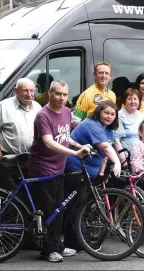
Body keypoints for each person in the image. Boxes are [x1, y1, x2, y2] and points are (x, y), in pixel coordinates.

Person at [27, 79, 92, 262]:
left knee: (59, 209)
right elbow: (49, 142)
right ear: (50, 93)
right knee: (50, 210)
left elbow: (65, 136)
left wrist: (80, 145)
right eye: (58, 94)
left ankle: (57, 245)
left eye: (64, 94)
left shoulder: (66, 112)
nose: (62, 98)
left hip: (58, 168)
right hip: (43, 168)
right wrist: (75, 153)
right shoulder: (43, 115)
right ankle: (49, 250)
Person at [64, 100, 122, 251]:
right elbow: (105, 147)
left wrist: (101, 172)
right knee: (76, 205)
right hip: (75, 167)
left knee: (82, 205)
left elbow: (104, 154)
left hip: (89, 171)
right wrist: (117, 162)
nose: (109, 116)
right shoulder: (92, 124)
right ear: (99, 112)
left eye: (112, 114)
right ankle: (73, 242)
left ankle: (80, 240)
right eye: (106, 113)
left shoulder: (107, 129)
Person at [0, 78, 42, 191]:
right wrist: (1, 161)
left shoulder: (37, 107)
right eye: (25, 91)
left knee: (33, 195)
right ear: (15, 91)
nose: (29, 94)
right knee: (12, 197)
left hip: (33, 160)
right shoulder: (3, 107)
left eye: (32, 91)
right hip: (11, 161)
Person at [72, 62, 116, 127]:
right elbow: (75, 120)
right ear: (94, 74)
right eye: (100, 73)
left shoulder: (112, 95)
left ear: (110, 76)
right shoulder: (87, 94)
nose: (103, 76)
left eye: (106, 73)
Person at [114, 88, 144, 155]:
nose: (133, 102)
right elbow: (116, 140)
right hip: (126, 155)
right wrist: (123, 159)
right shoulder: (120, 115)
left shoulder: (142, 116)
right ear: (124, 101)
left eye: (135, 99)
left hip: (141, 154)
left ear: (139, 101)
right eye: (129, 99)